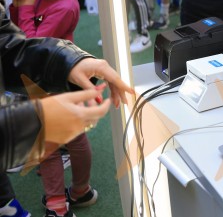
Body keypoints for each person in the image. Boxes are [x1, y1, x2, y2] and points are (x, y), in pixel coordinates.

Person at [0, 17, 132, 217]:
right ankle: (81, 190)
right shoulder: (66, 3)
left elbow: (18, 41)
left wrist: (26, 10)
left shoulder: (51, 5)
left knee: (50, 147)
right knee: (75, 140)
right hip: (58, 86)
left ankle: (57, 206)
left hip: (47, 88)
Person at [9, 0, 98, 217]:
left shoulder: (67, 6)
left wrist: (24, 9)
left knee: (54, 144)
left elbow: (32, 44)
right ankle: (77, 193)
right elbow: (15, 29)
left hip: (53, 81)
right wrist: (17, 6)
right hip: (45, 80)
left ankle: (62, 202)